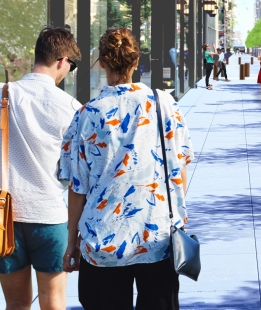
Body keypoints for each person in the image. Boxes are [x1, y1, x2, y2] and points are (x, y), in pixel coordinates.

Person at [59, 28, 193, 309]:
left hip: (102, 239)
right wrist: (178, 214)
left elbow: (77, 187)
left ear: (102, 62)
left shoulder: (87, 114)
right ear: (136, 62)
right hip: (155, 235)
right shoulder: (164, 104)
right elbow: (180, 165)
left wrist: (71, 242)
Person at [0, 27, 83, 310]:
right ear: (62, 60)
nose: (68, 73)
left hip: (2, 217)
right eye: (70, 67)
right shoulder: (71, 106)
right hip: (49, 216)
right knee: (53, 302)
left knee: (15, 304)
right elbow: (78, 173)